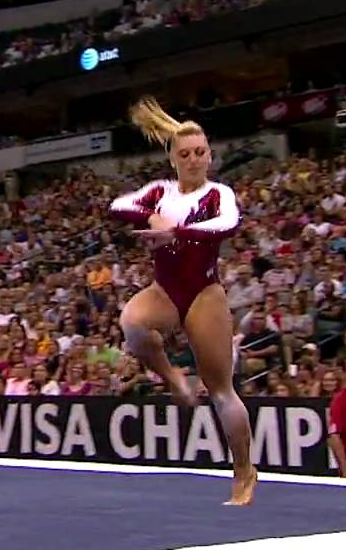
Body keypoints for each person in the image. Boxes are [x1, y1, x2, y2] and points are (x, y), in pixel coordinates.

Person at [109, 96, 255, 505]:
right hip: (165, 290)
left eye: (200, 153)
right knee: (132, 323)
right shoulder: (159, 191)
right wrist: (151, 218)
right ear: (173, 159)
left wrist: (178, 232)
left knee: (220, 389)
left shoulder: (218, 193)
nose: (194, 160)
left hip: (204, 294)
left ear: (210, 156)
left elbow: (228, 224)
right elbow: (118, 206)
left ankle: (243, 469)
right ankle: (173, 378)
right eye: (185, 154)